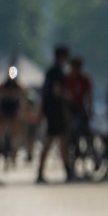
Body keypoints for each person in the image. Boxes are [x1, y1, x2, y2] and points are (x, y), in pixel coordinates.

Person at [37, 46, 72, 184]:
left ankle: (42, 172)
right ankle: (67, 172)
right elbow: (56, 91)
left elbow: (44, 93)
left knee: (53, 142)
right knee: (55, 142)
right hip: (56, 111)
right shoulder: (58, 72)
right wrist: (67, 96)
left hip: (49, 110)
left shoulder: (50, 71)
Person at [65, 56, 94, 176]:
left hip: (81, 109)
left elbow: (89, 96)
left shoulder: (85, 79)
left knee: (87, 134)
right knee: (71, 137)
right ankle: (72, 160)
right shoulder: (67, 79)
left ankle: (90, 153)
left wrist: (91, 109)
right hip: (70, 110)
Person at [0, 69, 26, 169]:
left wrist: (22, 112)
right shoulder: (4, 85)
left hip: (14, 111)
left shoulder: (17, 85)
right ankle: (3, 146)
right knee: (3, 132)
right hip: (5, 111)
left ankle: (13, 153)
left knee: (15, 133)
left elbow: (22, 98)